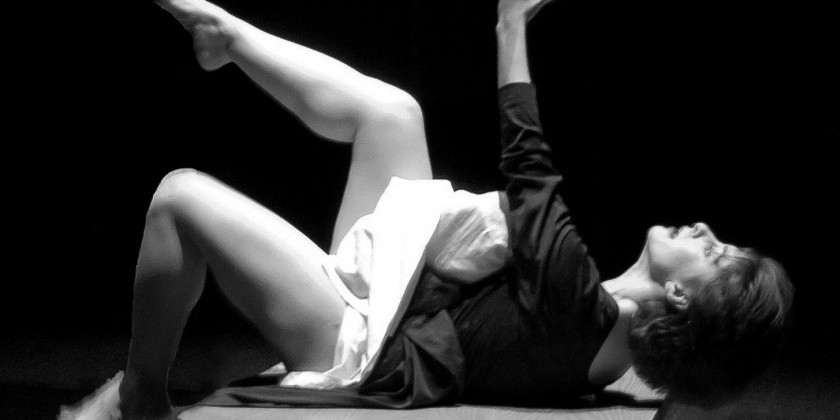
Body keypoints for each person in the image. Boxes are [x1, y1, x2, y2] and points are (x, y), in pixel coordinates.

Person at [59, 0, 794, 418]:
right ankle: (230, 38)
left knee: (179, 195)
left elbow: (529, 165)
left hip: (360, 345)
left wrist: (511, 26)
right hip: (402, 302)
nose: (706, 230)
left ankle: (141, 397)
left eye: (715, 252)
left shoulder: (579, 304)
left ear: (681, 297)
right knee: (395, 115)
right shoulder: (606, 334)